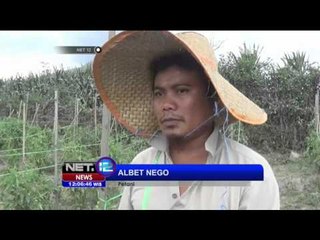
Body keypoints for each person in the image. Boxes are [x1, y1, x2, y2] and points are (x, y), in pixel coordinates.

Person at [92, 31, 280, 210]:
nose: (167, 104)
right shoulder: (142, 165)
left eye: (182, 90)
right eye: (159, 93)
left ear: (212, 97)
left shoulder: (251, 172)